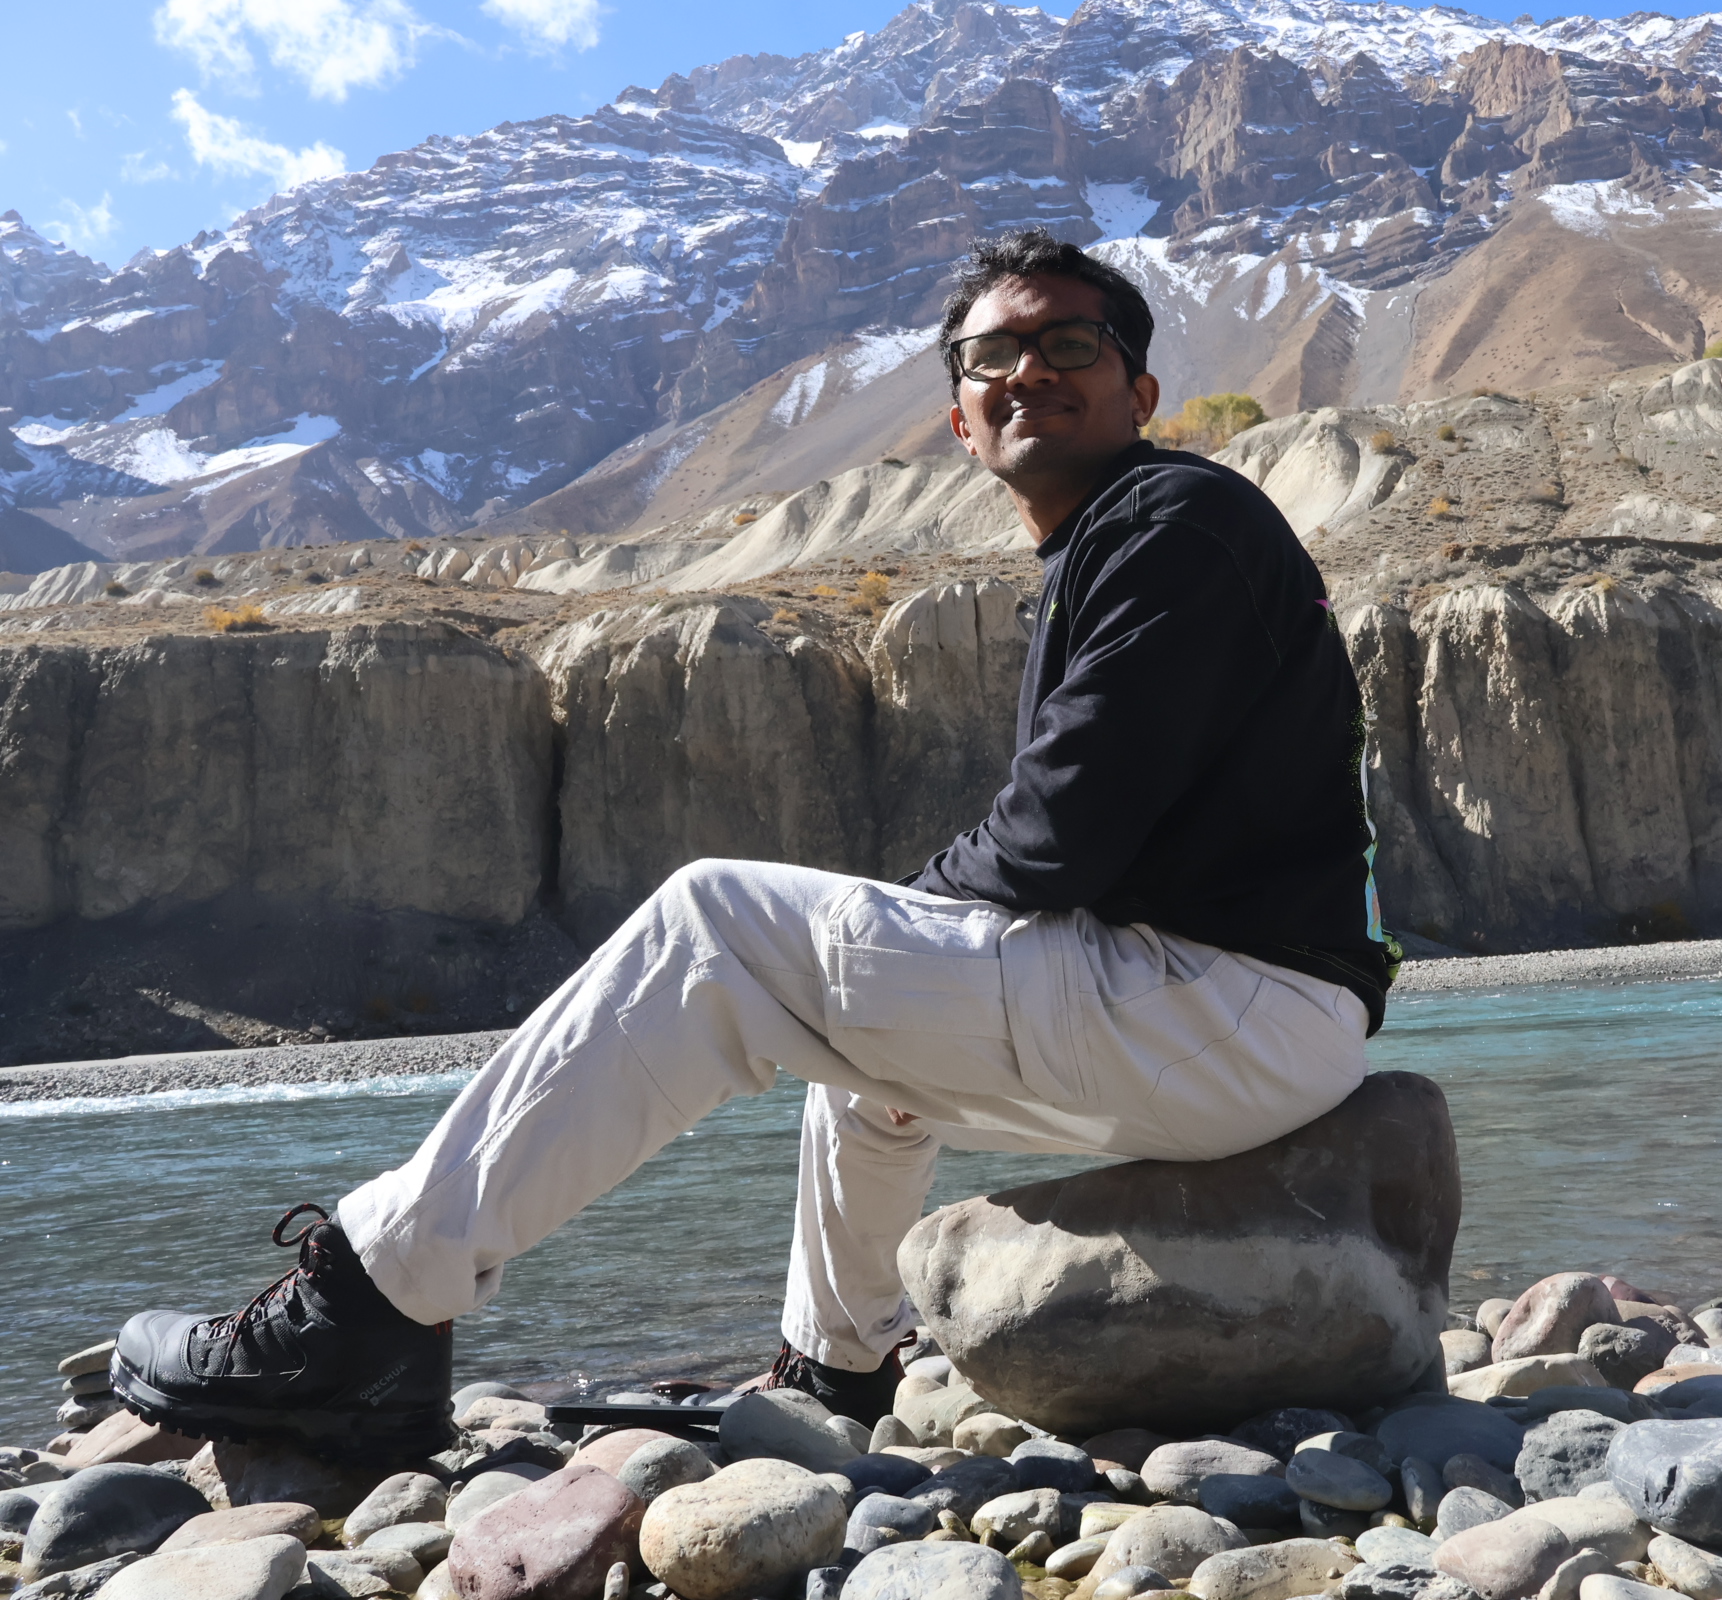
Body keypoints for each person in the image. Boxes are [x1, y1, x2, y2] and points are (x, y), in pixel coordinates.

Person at [110, 229, 1400, 1459]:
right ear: (960, 421)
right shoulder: (1134, 536)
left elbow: (1060, 837)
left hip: (1230, 1007)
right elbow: (1069, 849)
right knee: (864, 1052)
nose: (1029, 372)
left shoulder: (1173, 520)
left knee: (717, 924)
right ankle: (838, 1373)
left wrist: (898, 920)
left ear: (1140, 390)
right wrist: (895, 944)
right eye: (991, 357)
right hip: (1228, 1018)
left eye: (1069, 345)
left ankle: (365, 1307)